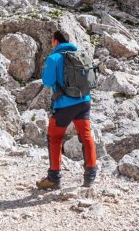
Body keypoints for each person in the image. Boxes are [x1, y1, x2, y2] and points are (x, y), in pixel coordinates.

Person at [36, 30, 97, 190]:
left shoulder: (54, 58)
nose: (51, 44)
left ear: (56, 41)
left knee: (54, 138)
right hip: (84, 101)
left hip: (65, 104)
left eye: (51, 41)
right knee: (86, 136)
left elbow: (47, 82)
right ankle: (90, 176)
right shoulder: (80, 55)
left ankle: (54, 178)